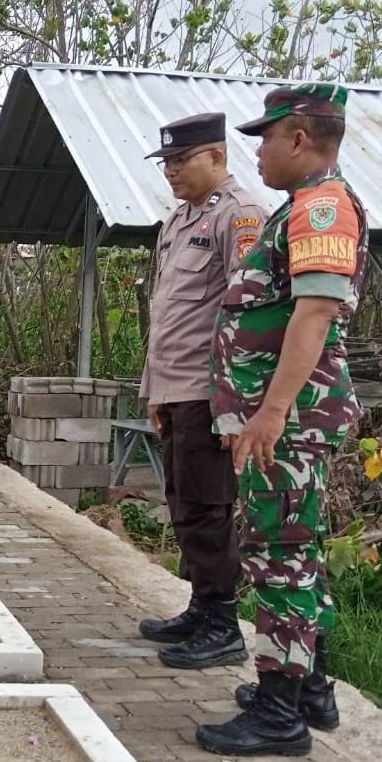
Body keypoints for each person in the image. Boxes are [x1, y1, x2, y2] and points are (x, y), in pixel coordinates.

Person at [196, 82, 363, 757]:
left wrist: (268, 414)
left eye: (264, 137)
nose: (257, 151)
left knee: (281, 559)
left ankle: (278, 713)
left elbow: (314, 314)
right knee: (295, 552)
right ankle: (308, 686)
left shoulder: (321, 208)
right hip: (286, 421)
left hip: (287, 424)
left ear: (299, 138)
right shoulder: (300, 207)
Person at [134, 113, 266, 671]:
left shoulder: (241, 215)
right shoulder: (179, 221)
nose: (171, 172)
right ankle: (200, 606)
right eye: (165, 162)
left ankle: (223, 624)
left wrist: (234, 401)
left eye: (180, 161)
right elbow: (167, 316)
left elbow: (247, 313)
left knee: (209, 508)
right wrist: (152, 390)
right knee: (185, 506)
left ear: (215, 156)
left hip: (210, 393)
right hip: (176, 388)